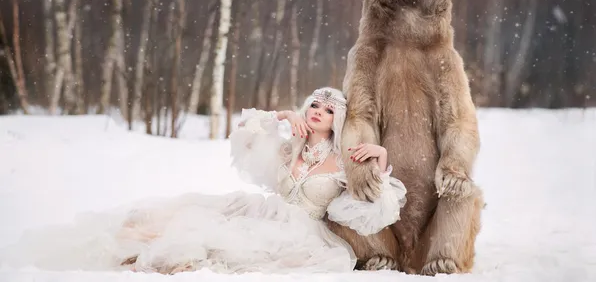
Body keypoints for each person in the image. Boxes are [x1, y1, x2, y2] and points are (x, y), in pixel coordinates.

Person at [0, 87, 407, 274]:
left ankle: (168, 262)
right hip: (260, 211)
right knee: (191, 217)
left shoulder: (342, 160)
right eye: (313, 104)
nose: (318, 109)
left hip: (302, 232)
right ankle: (141, 249)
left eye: (329, 107)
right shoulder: (289, 148)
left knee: (237, 251)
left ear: (339, 120)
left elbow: (375, 213)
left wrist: (381, 159)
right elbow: (244, 136)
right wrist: (281, 117)